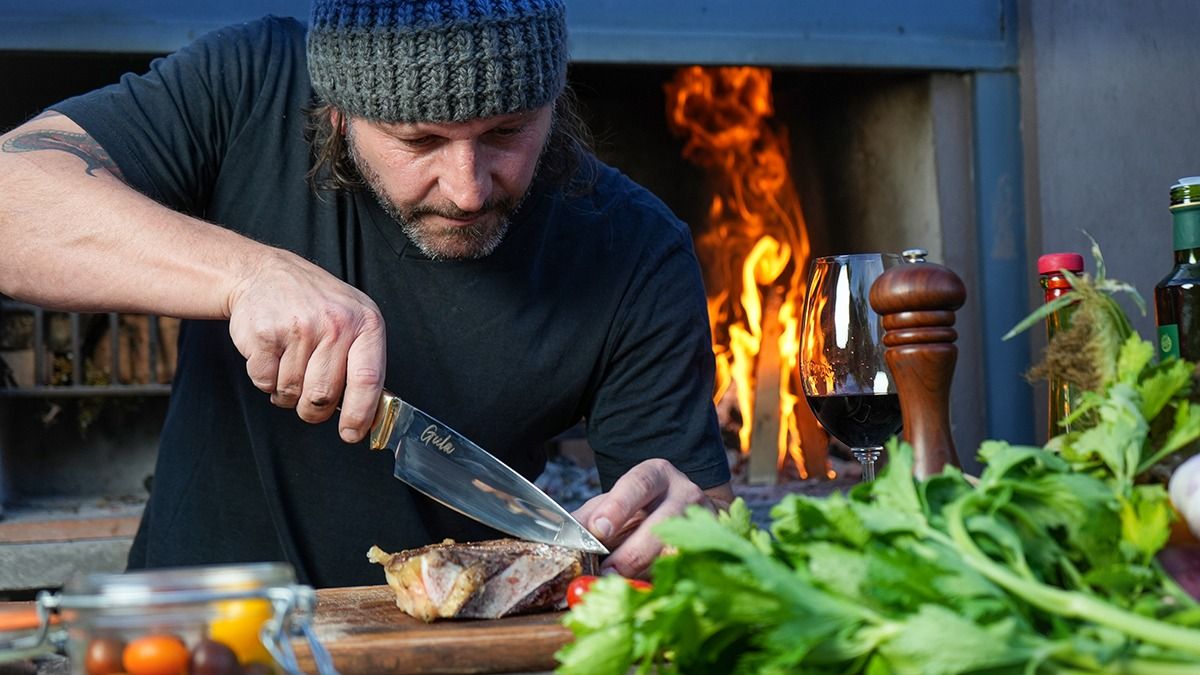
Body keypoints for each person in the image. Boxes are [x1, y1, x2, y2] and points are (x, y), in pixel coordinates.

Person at [0, 0, 733, 587]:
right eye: (419, 142)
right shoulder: (252, 86)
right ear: (337, 112)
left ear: (554, 98)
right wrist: (245, 274)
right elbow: (13, 197)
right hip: (201, 642)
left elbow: (693, 538)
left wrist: (690, 525)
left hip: (445, 654)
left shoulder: (637, 251)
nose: (469, 189)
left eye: (507, 131)